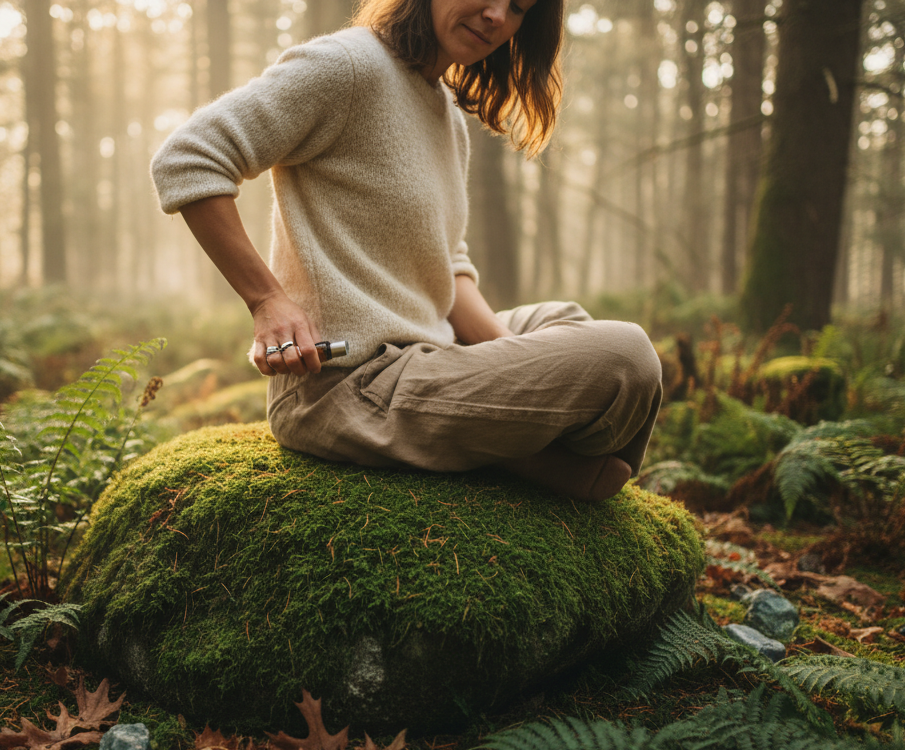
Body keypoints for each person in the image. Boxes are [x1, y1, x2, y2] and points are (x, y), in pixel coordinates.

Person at [150, 0, 662, 502]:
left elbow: (448, 265)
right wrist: (267, 300)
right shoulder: (345, 65)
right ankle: (514, 450)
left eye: (521, 9)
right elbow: (189, 156)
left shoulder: (446, 113)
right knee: (624, 355)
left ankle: (503, 446)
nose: (499, 16)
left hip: (425, 359)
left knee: (564, 319)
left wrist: (511, 361)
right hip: (346, 387)